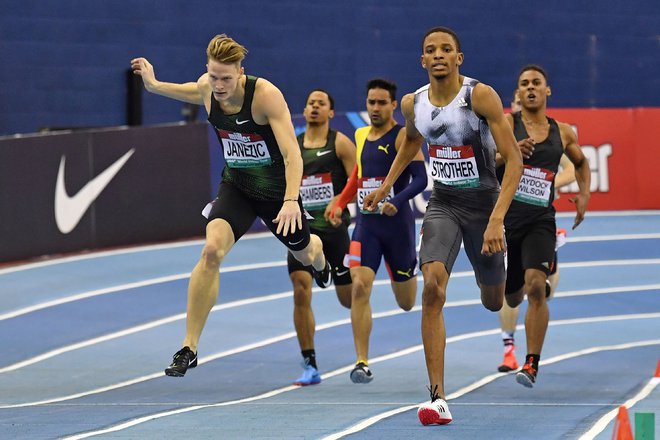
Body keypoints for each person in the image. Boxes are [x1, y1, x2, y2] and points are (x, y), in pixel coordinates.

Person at [130, 34, 332, 378]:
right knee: (210, 251)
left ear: (241, 72)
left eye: (226, 77)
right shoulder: (207, 88)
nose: (219, 85)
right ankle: (189, 347)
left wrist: (289, 201)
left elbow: (291, 154)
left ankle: (321, 258)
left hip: (277, 193)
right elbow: (185, 90)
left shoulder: (265, 96)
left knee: (305, 252)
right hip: (237, 186)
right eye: (213, 76)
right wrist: (152, 84)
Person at [363, 27, 524, 426]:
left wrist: (497, 220)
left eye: (446, 50)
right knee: (432, 287)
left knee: (493, 299)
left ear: (458, 59)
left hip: (485, 206)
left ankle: (508, 279)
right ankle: (438, 398)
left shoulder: (479, 96)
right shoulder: (412, 103)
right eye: (430, 50)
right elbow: (410, 143)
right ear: (422, 60)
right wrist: (385, 186)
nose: (438, 55)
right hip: (444, 204)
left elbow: (514, 159)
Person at [325, 78, 427, 385]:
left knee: (406, 302)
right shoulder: (359, 135)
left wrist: (395, 201)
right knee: (359, 287)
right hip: (367, 226)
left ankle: (408, 271)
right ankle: (361, 362)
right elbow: (359, 174)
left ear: (394, 106)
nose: (376, 108)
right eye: (371, 102)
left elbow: (420, 180)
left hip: (397, 228)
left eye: (382, 102)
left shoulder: (402, 137)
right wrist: (341, 202)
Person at [495, 64, 590, 387]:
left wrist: (584, 194)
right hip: (506, 222)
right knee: (509, 297)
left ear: (547, 91)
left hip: (541, 220)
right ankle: (512, 293)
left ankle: (531, 363)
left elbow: (581, 162)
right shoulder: (506, 124)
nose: (531, 87)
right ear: (518, 94)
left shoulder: (562, 132)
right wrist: (508, 154)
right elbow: (485, 159)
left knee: (538, 286)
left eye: (537, 83)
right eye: (524, 84)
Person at [289, 89, 356, 386]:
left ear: (330, 112)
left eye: (321, 104)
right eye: (310, 103)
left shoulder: (340, 143)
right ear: (304, 111)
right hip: (302, 231)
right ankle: (310, 363)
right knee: (301, 288)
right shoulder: (292, 146)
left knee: (348, 299)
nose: (315, 107)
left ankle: (362, 353)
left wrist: (339, 202)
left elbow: (358, 179)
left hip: (334, 231)